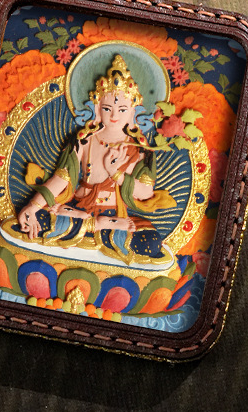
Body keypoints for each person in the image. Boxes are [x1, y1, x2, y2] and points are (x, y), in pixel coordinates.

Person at [15, 55, 174, 264]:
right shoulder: (84, 140)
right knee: (40, 218)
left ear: (133, 113)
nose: (114, 115)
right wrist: (33, 206)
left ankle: (96, 224)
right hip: (79, 208)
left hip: (115, 213)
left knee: (151, 241)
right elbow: (62, 178)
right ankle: (95, 224)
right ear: (97, 109)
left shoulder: (140, 150)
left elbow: (145, 192)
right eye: (107, 109)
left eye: (122, 110)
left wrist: (116, 174)